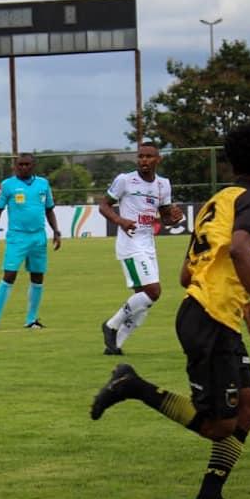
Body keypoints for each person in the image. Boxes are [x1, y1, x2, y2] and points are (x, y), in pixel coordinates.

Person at [90, 123, 250, 499]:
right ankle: (133, 385)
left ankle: (209, 496)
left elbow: (187, 274)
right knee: (217, 425)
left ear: (230, 163)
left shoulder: (218, 202)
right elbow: (241, 251)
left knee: (247, 409)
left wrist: (244, 306)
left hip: (212, 315)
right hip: (209, 321)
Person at [98, 143, 183, 354]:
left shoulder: (163, 185)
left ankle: (115, 345)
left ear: (158, 160)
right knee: (153, 292)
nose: (144, 160)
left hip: (148, 244)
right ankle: (110, 325)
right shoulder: (125, 180)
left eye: (149, 157)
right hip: (130, 243)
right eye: (141, 156)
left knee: (143, 300)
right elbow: (104, 205)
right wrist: (121, 221)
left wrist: (174, 219)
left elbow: (164, 217)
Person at [0, 153, 62, 331]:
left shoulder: (43, 184)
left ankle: (31, 319)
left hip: (38, 237)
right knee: (9, 275)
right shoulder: (7, 185)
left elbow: (49, 210)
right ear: (15, 166)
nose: (23, 167)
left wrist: (56, 231)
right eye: (20, 165)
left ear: (33, 166)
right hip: (17, 237)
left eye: (27, 164)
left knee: (37, 277)